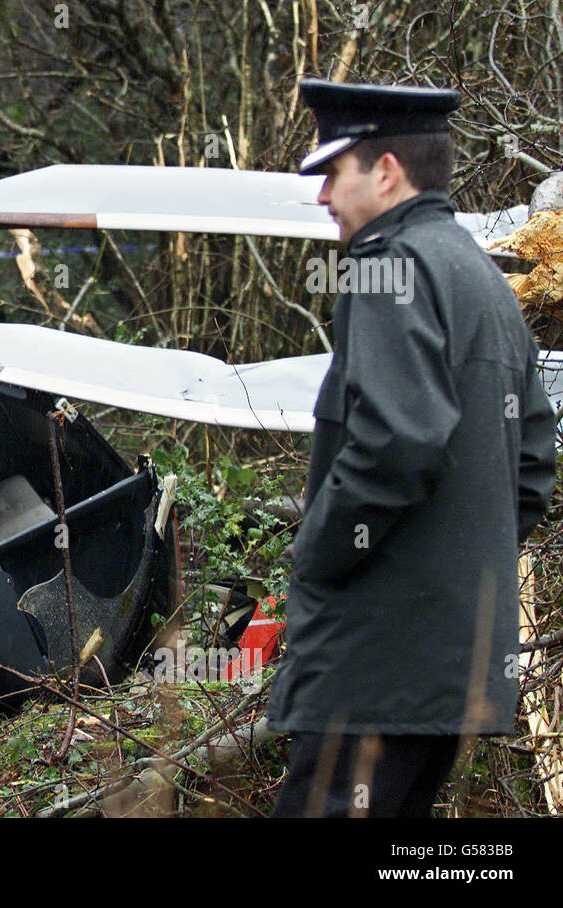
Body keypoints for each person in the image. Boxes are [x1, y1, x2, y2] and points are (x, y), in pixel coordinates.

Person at [266, 78, 558, 817]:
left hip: (377, 658)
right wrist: (461, 569)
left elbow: (397, 440)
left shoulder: (385, 266)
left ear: (386, 170)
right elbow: (532, 462)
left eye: (334, 173)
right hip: (447, 665)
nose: (325, 198)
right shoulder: (481, 275)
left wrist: (319, 556)